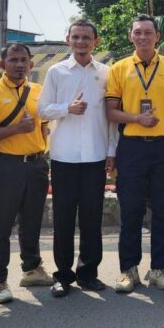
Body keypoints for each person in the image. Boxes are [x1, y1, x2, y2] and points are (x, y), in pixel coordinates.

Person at [38, 20, 118, 298]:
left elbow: (110, 118)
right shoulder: (56, 72)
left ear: (96, 41)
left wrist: (111, 151)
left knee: (92, 218)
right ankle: (63, 276)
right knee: (62, 219)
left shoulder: (107, 72)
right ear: (67, 39)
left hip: (96, 156)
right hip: (64, 157)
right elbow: (42, 110)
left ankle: (88, 273)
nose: (81, 42)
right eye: (76, 37)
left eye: (86, 37)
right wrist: (67, 108)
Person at [105, 14, 164, 293]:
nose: (142, 37)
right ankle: (129, 271)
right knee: (131, 211)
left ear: (157, 36)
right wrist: (137, 119)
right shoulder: (119, 69)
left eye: (148, 32)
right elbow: (110, 111)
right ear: (130, 36)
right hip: (133, 147)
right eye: (137, 32)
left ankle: (160, 268)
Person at [0, 42, 53, 303]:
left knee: (32, 221)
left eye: (24, 60)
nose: (19, 65)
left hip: (36, 165)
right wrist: (15, 130)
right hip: (5, 165)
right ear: (2, 64)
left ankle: (32, 268)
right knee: (2, 225)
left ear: (31, 64)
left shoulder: (39, 91)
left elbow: (43, 127)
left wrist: (42, 153)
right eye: (13, 60)